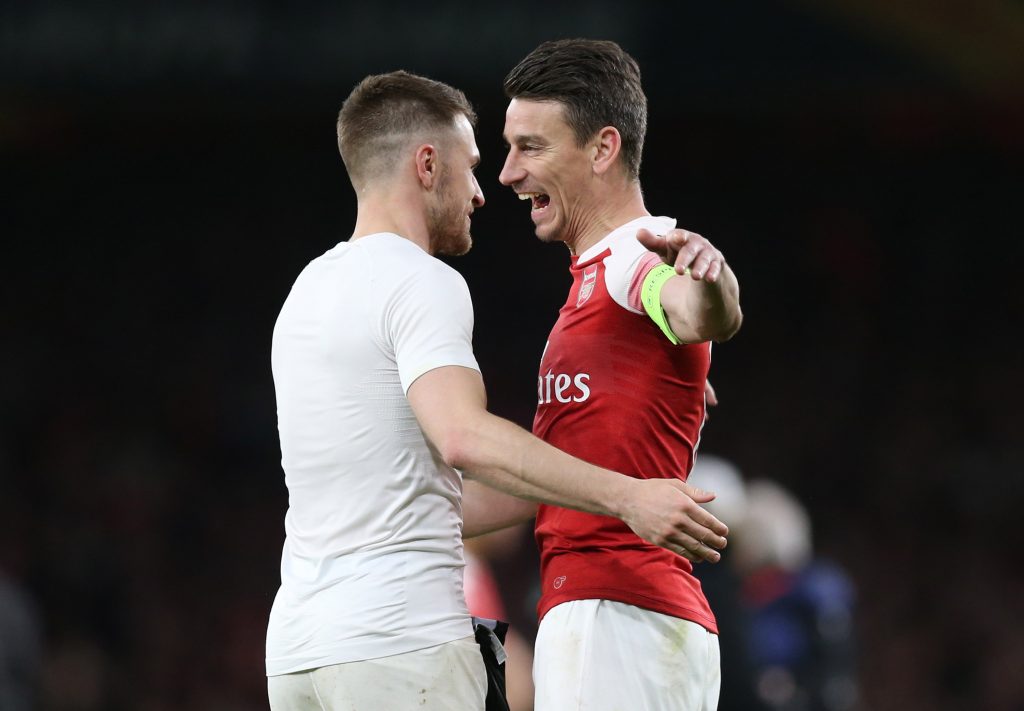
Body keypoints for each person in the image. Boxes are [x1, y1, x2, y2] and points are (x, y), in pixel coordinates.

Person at [265, 70, 729, 711]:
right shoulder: (421, 280)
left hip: (297, 651)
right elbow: (463, 438)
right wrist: (627, 494)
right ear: (427, 164)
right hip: (402, 641)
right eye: (472, 166)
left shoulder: (304, 294)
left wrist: (623, 421)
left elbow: (426, 504)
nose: (485, 191)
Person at [496, 39, 744, 710]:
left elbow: (695, 311)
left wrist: (714, 281)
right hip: (604, 613)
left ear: (603, 148)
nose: (508, 173)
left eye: (531, 147)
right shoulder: (590, 286)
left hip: (622, 615)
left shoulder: (634, 256)